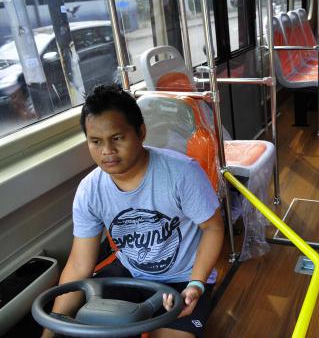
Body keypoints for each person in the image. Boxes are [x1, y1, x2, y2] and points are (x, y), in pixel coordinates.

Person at [42, 85, 224, 338]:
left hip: (184, 278)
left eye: (117, 138)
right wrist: (54, 325)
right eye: (96, 141)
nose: (107, 151)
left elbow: (213, 228)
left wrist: (197, 283)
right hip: (129, 273)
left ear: (140, 132)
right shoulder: (90, 190)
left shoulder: (182, 173)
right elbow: (79, 263)